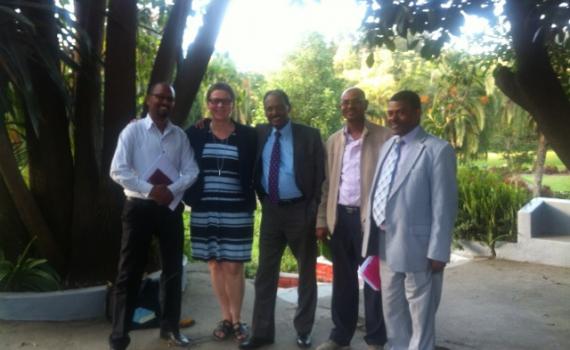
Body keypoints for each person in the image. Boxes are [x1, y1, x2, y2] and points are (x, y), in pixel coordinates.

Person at [108, 82, 199, 350]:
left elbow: (192, 171)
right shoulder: (132, 131)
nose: (165, 102)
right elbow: (117, 170)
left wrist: (170, 190)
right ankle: (119, 336)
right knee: (129, 272)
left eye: (169, 99)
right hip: (138, 209)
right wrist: (151, 190)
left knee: (172, 271)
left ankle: (170, 329)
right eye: (160, 97)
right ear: (149, 100)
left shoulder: (179, 136)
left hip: (170, 209)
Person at [365, 90, 458, 350]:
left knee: (421, 315)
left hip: (419, 245)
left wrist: (438, 250)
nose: (394, 118)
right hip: (385, 242)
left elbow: (444, 205)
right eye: (390, 113)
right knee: (392, 312)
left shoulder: (437, 150)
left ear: (418, 113)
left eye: (401, 112)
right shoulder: (387, 146)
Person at [239, 89, 325, 349]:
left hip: (301, 212)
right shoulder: (259, 133)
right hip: (272, 211)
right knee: (265, 273)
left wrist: (313, 213)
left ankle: (304, 330)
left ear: (289, 107)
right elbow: (230, 132)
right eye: (269, 109)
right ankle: (262, 332)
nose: (273, 112)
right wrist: (205, 123)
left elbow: (322, 177)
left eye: (278, 107)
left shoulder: (309, 136)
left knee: (306, 273)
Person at [315, 87, 391, 350]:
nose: (349, 106)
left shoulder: (384, 137)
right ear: (341, 107)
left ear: (365, 104)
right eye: (345, 102)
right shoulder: (334, 140)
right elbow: (328, 184)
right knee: (343, 280)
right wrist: (322, 220)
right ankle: (340, 336)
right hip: (341, 219)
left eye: (355, 102)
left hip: (370, 221)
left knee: (372, 279)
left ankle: (375, 339)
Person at [183, 82, 257, 342]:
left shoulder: (248, 135)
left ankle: (238, 320)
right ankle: (225, 317)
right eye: (214, 101)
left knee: (234, 265)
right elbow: (172, 145)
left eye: (225, 101)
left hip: (237, 208)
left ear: (232, 104)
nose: (219, 105)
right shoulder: (196, 133)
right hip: (205, 207)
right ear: (208, 103)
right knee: (214, 264)